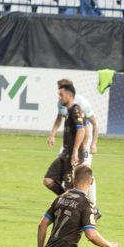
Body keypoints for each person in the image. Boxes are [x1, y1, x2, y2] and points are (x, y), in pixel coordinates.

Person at [47, 79, 100, 209]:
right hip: (70, 144)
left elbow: (93, 124)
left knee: (84, 172)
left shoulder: (81, 103)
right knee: (65, 173)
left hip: (84, 142)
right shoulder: (62, 103)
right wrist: (52, 134)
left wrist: (93, 143)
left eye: (61, 90)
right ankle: (68, 199)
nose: (59, 94)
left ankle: (92, 204)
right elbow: (59, 119)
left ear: (68, 92)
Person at [43, 83, 87, 196]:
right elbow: (58, 119)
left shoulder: (76, 110)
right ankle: (65, 198)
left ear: (69, 95)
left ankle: (79, 203)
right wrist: (52, 135)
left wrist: (75, 151)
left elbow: (81, 130)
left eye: (61, 95)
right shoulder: (68, 111)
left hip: (73, 155)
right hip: (65, 153)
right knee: (48, 180)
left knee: (71, 188)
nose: (59, 97)